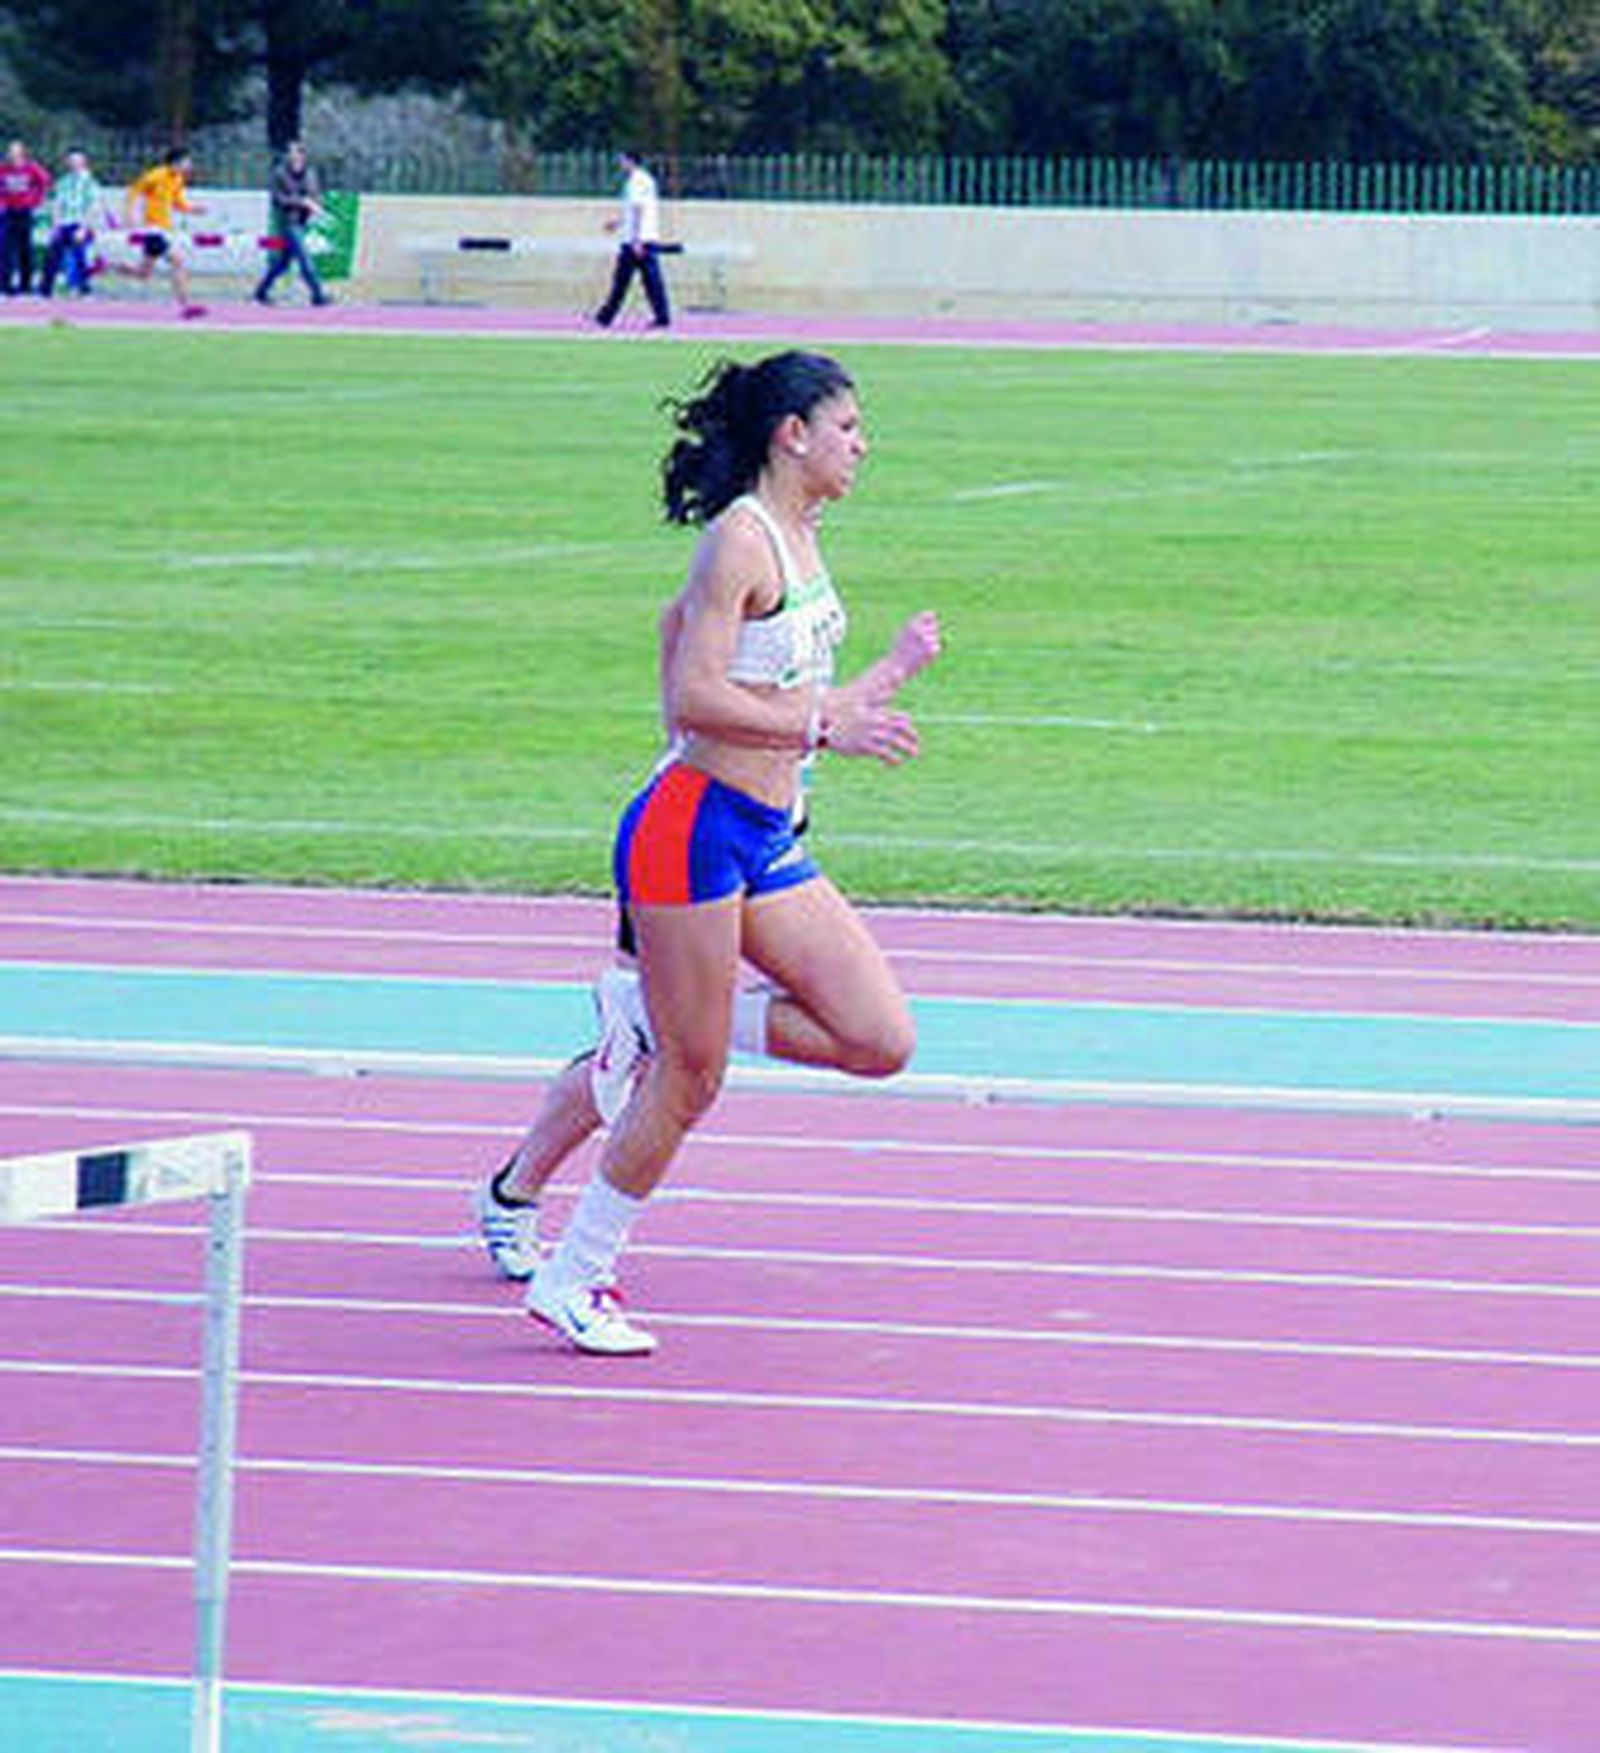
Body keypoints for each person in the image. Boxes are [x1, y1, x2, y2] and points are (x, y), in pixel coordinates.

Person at [493, 350, 941, 1356]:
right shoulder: (740, 542)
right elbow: (691, 695)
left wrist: (886, 677)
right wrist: (824, 728)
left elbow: (791, 697)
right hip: (689, 831)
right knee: (689, 1083)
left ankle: (660, 1013)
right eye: (850, 427)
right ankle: (574, 1277)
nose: (862, 447)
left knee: (878, 1037)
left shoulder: (803, 536)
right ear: (794, 433)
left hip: (764, 835)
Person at [117, 146, 207, 319]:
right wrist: (128, 215)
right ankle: (186, 305)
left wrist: (194, 209)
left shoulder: (178, 179)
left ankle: (107, 266)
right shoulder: (156, 175)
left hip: (165, 229)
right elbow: (134, 191)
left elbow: (178, 203)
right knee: (178, 261)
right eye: (187, 162)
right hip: (152, 229)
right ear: (176, 162)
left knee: (143, 273)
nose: (190, 166)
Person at [592, 150, 672, 330]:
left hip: (636, 241)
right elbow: (634, 210)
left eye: (622, 161)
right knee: (652, 281)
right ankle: (662, 317)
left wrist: (635, 239)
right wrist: (618, 223)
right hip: (646, 238)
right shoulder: (646, 180)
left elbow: (637, 210)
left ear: (630, 161)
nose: (620, 164)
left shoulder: (636, 181)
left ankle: (605, 318)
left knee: (621, 281)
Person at [253, 140, 331, 307]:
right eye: (292, 154)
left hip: (303, 222)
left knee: (283, 263)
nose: (295, 157)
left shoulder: (310, 173)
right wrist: (301, 202)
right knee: (305, 258)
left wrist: (316, 206)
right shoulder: (279, 173)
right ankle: (318, 294)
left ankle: (261, 291)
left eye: (298, 154)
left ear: (304, 156)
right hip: (288, 222)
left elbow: (316, 194)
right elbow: (278, 199)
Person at [40, 149, 106, 298]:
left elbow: (93, 207)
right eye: (71, 161)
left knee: (80, 256)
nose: (74, 164)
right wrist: (55, 225)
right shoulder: (63, 182)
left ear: (84, 163)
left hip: (80, 223)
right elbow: (57, 204)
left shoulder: (90, 183)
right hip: (64, 223)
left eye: (77, 161)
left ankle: (84, 289)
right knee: (52, 256)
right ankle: (45, 289)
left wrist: (84, 228)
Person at [0, 139, 50, 295]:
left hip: (25, 211)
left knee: (25, 248)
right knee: (6, 249)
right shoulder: (3, 169)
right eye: (11, 151)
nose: (13, 155)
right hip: (8, 211)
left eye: (16, 151)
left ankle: (25, 284)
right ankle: (5, 284)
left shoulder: (31, 168)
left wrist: (36, 201)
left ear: (22, 153)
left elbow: (45, 182)